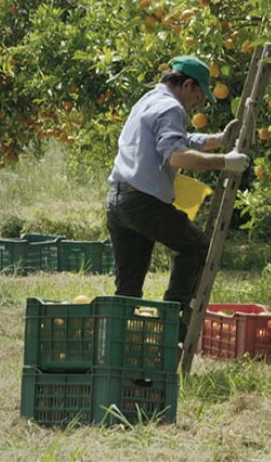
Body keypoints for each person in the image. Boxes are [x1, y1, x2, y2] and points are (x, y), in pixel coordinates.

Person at [106, 55, 249, 340]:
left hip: (117, 201)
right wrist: (224, 161)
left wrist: (217, 139)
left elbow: (178, 139)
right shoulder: (172, 108)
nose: (198, 103)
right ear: (186, 84)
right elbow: (178, 155)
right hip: (143, 204)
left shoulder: (147, 100)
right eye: (199, 94)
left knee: (128, 290)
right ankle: (173, 319)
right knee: (197, 247)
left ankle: (116, 350)